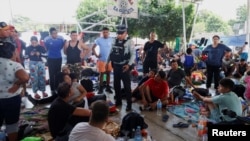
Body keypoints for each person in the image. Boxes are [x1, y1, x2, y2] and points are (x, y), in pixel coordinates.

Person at [0, 41, 29, 141]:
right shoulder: (14, 65)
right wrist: (17, 84)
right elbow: (25, 77)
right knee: (12, 124)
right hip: (11, 98)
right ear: (13, 52)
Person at [106, 25, 135, 111]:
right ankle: (118, 101)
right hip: (115, 65)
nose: (119, 35)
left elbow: (133, 54)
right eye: (118, 33)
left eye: (121, 33)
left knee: (127, 86)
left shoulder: (130, 42)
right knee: (116, 84)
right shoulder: (114, 40)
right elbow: (110, 51)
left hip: (124, 66)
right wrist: (107, 62)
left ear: (125, 33)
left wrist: (129, 65)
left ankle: (129, 104)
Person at [92, 27, 113, 94]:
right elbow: (93, 48)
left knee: (108, 74)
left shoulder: (112, 40)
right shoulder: (99, 40)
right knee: (102, 74)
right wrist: (96, 55)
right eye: (104, 32)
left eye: (106, 32)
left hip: (109, 60)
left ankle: (107, 87)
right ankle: (101, 88)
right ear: (102, 33)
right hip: (102, 60)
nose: (105, 33)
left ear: (109, 33)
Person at [44, 27, 65, 95]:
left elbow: (61, 46)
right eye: (53, 33)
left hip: (58, 58)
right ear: (50, 34)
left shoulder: (61, 38)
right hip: (50, 58)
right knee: (51, 74)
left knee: (58, 73)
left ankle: (57, 87)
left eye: (56, 33)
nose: (55, 35)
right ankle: (52, 89)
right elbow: (46, 48)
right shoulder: (47, 39)